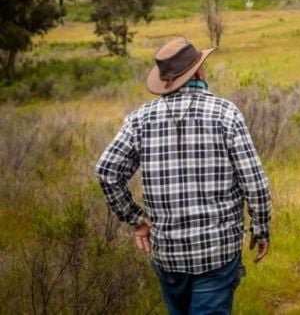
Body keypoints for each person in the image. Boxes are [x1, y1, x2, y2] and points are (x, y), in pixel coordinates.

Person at [95, 37, 272, 315]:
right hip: (217, 252)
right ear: (199, 72)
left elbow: (106, 171)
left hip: (168, 256)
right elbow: (255, 183)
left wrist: (136, 220)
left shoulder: (139, 120)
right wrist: (260, 229)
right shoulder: (226, 114)